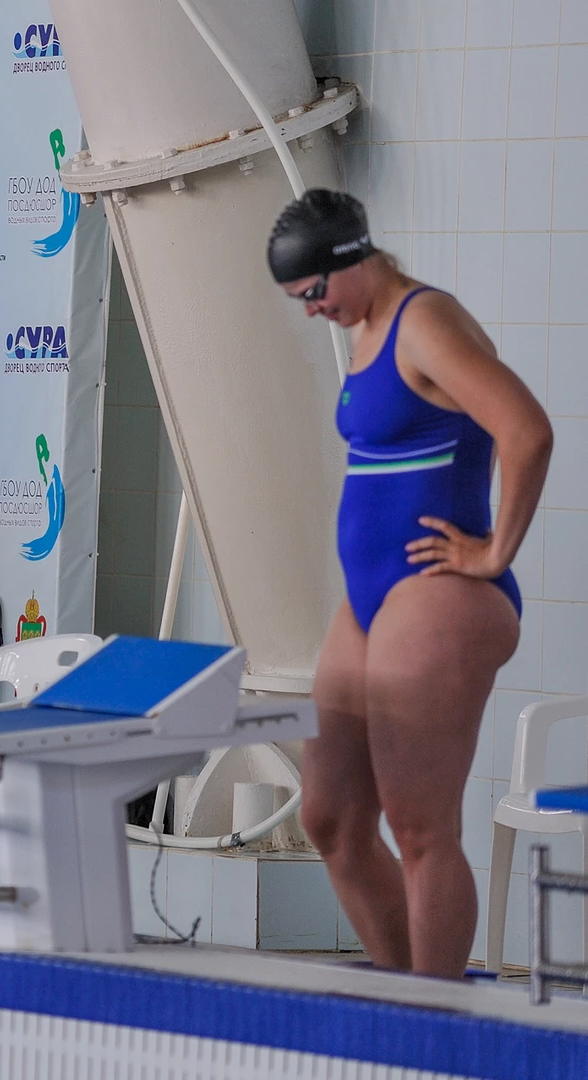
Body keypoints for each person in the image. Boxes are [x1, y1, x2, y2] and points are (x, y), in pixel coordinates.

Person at [269, 190, 552, 978]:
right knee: (330, 817)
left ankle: (437, 1022)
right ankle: (406, 1007)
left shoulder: (423, 321)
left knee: (421, 827)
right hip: (369, 602)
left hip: (435, 598)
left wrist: (493, 553)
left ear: (350, 258)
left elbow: (525, 431)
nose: (310, 310)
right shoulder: (366, 328)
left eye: (312, 291)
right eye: (297, 300)